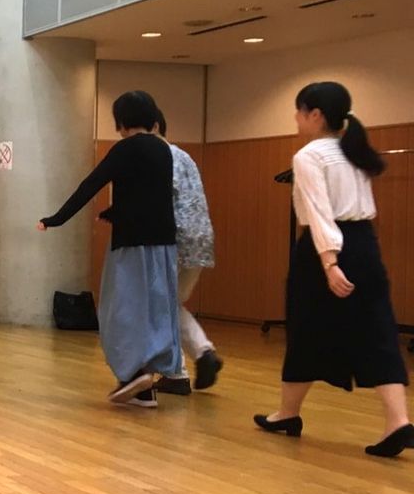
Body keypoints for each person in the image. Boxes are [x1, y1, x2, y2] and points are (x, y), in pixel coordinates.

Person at [255, 82, 412, 458]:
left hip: (324, 249)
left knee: (306, 326)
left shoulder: (309, 155)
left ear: (316, 115)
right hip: (364, 245)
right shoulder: (354, 150)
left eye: (299, 111)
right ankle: (398, 421)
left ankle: (288, 413)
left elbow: (319, 212)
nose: (295, 118)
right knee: (377, 328)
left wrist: (330, 263)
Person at [38, 90, 181, 408]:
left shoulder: (125, 149)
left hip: (131, 244)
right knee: (156, 308)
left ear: (121, 120)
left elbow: (91, 185)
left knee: (121, 310)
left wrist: (56, 219)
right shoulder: (163, 149)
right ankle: (147, 380)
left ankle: (133, 376)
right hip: (164, 244)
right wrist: (114, 212)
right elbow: (149, 194)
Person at [152, 110, 223, 394]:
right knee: (170, 304)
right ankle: (203, 353)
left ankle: (176, 373)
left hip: (174, 238)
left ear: (155, 126)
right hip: (201, 238)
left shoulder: (157, 157)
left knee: (161, 305)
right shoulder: (185, 156)